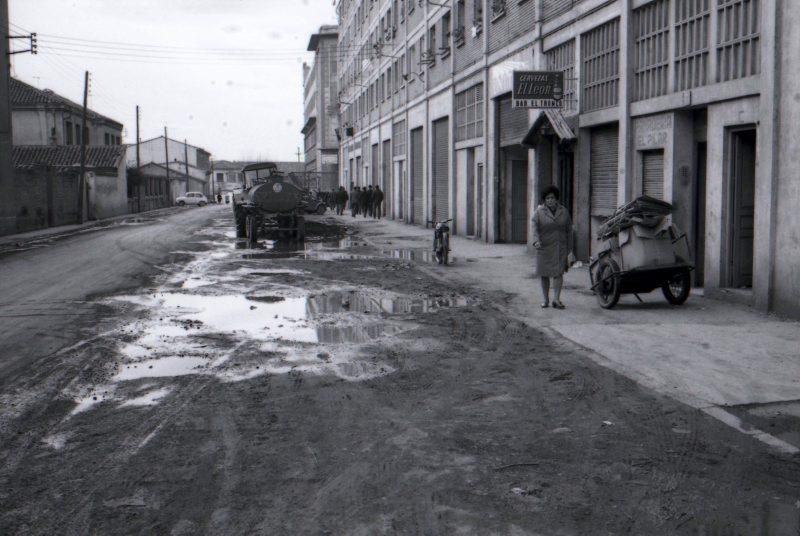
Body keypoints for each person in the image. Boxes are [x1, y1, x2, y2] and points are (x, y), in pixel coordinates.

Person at [531, 185, 573, 309]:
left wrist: (570, 249)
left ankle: (556, 299)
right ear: (544, 200)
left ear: (556, 199)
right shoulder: (539, 212)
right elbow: (534, 228)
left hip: (560, 248)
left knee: (558, 273)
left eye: (552, 198)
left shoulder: (564, 211)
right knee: (544, 274)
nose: (550, 200)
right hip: (544, 247)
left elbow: (569, 230)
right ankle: (545, 300)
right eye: (548, 198)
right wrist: (536, 241)